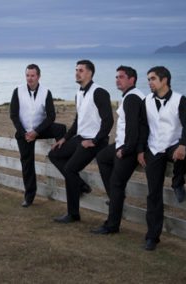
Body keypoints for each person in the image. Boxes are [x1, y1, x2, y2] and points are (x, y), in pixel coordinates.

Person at [48, 59, 113, 224]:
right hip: (80, 138)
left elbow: (108, 120)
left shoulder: (100, 92)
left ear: (90, 73)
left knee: (70, 169)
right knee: (54, 154)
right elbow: (78, 121)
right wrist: (64, 138)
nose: (77, 73)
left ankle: (73, 214)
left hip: (95, 141)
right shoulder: (78, 93)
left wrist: (95, 140)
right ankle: (81, 185)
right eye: (76, 70)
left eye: (81, 70)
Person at [137, 66, 186, 251]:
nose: (149, 82)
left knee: (183, 154)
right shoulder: (145, 101)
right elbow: (143, 128)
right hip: (153, 149)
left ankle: (178, 182)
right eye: (148, 79)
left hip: (173, 145)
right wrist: (140, 150)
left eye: (153, 79)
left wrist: (183, 144)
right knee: (153, 195)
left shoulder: (181, 100)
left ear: (164, 80)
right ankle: (152, 237)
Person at [91, 66, 145, 235]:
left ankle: (111, 225)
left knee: (117, 183)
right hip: (121, 144)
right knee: (102, 157)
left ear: (132, 79)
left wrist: (126, 149)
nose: (117, 80)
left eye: (121, 77)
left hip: (129, 148)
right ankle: (115, 197)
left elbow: (134, 127)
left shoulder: (132, 99)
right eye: (116, 77)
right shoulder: (130, 96)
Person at [10, 64, 66, 208]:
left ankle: (63, 155)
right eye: (27, 75)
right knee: (27, 164)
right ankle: (29, 197)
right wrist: (25, 134)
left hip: (41, 129)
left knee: (61, 128)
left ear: (38, 76)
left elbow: (51, 116)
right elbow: (14, 115)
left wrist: (36, 132)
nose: (30, 78)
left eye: (32, 75)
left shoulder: (46, 92)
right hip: (24, 133)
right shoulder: (18, 91)